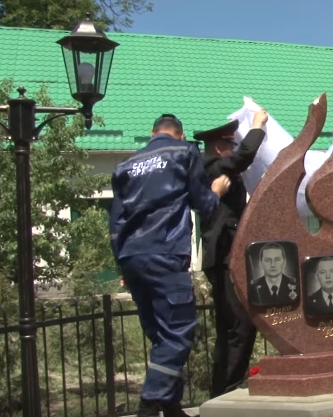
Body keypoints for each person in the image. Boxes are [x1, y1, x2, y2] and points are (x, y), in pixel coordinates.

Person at [109, 114, 231, 417]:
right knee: (178, 331)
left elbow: (115, 222)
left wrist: (123, 264)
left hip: (131, 258)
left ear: (153, 134)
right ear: (179, 135)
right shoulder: (182, 153)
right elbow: (202, 202)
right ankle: (150, 405)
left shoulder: (125, 166)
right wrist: (216, 192)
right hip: (165, 254)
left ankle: (171, 406)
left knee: (162, 336)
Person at [194, 110, 269, 399]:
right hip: (225, 256)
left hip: (225, 256)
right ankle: (230, 389)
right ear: (218, 148)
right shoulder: (213, 165)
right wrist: (258, 126)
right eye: (230, 145)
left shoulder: (214, 167)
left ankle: (221, 392)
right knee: (241, 325)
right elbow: (246, 155)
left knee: (229, 328)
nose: (234, 149)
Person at [248, 242, 299, 307]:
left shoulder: (294, 284)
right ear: (260, 264)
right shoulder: (253, 287)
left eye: (277, 260)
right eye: (268, 260)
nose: (273, 265)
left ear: (284, 262)